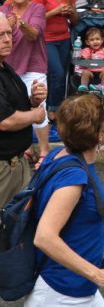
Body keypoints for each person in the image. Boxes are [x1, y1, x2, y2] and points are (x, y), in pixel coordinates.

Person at [25, 94, 104, 305]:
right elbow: (44, 237)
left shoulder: (58, 155)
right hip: (62, 293)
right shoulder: (74, 177)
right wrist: (98, 274)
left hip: (76, 288)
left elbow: (60, 209)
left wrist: (97, 218)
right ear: (99, 135)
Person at [0, 0, 50, 162]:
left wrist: (19, 24)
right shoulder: (3, 11)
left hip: (33, 64)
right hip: (10, 66)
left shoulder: (37, 8)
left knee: (39, 105)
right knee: (16, 106)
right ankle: (26, 148)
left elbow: (33, 34)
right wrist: (8, 26)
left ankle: (44, 151)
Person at [0, 13, 47, 206]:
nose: (7, 39)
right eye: (1, 35)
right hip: (3, 169)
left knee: (17, 226)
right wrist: (36, 115)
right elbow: (5, 121)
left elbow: (12, 107)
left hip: (17, 164)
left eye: (9, 33)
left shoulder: (5, 67)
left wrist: (32, 101)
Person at [31, 0, 78, 121]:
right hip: (46, 40)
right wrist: (55, 11)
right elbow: (33, 19)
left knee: (60, 75)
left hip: (64, 38)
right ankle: (52, 109)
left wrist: (70, 12)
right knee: (57, 73)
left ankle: (54, 108)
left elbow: (75, 20)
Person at [74, 27, 104, 93]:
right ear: (87, 42)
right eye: (92, 40)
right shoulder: (86, 50)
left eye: (97, 39)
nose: (95, 41)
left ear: (102, 40)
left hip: (101, 71)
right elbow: (83, 58)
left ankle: (103, 86)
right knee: (85, 72)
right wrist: (86, 57)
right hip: (90, 71)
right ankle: (84, 86)